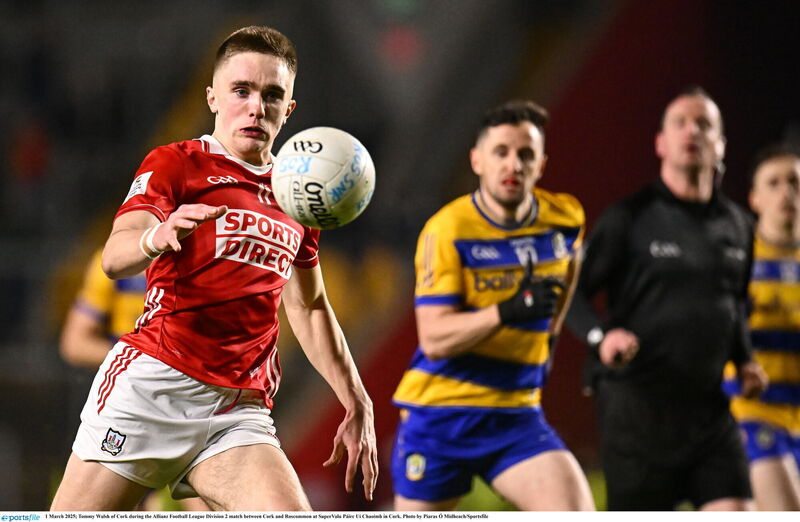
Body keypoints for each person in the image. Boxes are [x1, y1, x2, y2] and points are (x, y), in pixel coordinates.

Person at [50, 25, 377, 511]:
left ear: (288, 109)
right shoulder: (176, 165)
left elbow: (308, 305)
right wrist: (154, 237)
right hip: (153, 391)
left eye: (271, 95)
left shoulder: (299, 192)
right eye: (241, 91)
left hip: (236, 412)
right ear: (212, 98)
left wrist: (356, 397)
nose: (255, 106)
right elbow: (114, 257)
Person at [567, 86, 768, 511]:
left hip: (708, 413)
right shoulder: (629, 217)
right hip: (637, 413)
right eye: (680, 122)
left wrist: (745, 359)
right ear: (660, 143)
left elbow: (732, 305)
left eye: (704, 124)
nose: (692, 131)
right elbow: (573, 296)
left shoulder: (739, 226)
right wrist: (602, 338)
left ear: (721, 145)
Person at [391, 100, 595, 511]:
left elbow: (565, 282)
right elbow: (434, 338)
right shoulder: (447, 230)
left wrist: (550, 341)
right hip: (441, 416)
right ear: (477, 160)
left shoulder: (566, 218)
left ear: (541, 164)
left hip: (515, 415)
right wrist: (507, 310)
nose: (513, 164)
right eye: (501, 152)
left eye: (526, 155)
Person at [60, 248, 209, 511]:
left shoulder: (203, 259)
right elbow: (74, 342)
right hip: (130, 402)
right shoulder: (112, 263)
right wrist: (144, 361)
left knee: (204, 501)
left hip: (188, 397)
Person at [723, 145, 800, 510]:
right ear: (754, 198)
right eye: (774, 183)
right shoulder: (736, 258)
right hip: (753, 415)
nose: (786, 192)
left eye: (795, 182)